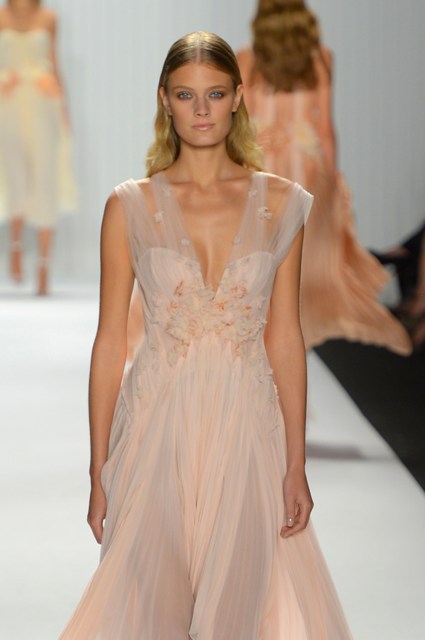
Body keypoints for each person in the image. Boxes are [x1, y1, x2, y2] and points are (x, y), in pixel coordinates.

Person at [60, 31, 352, 638]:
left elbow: (285, 338)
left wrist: (295, 464)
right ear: (164, 99)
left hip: (247, 429)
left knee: (238, 611)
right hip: (155, 430)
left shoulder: (283, 204)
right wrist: (97, 468)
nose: (201, 110)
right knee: (153, 608)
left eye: (215, 94)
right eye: (185, 94)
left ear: (238, 98)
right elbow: (109, 343)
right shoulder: (129, 207)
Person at [237, 0, 412, 355]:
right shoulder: (320, 58)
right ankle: (291, 331)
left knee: (261, 249)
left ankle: (263, 331)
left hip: (262, 165)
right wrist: (332, 179)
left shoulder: (246, 59)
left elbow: (239, 122)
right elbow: (325, 129)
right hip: (306, 167)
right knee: (303, 254)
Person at [0, 0, 76, 295]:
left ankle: (44, 264)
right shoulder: (2, 17)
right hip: (8, 106)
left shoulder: (49, 18)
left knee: (45, 177)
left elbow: (54, 62)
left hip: (43, 105)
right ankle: (15, 247)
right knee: (13, 175)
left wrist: (63, 107)